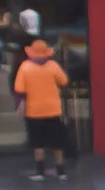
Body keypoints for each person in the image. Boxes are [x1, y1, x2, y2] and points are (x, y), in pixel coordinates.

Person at [13, 37, 71, 181]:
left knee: (37, 143)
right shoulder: (53, 66)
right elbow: (64, 81)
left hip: (34, 111)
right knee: (57, 143)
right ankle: (61, 171)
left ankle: (40, 172)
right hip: (53, 110)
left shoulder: (25, 67)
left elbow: (19, 88)